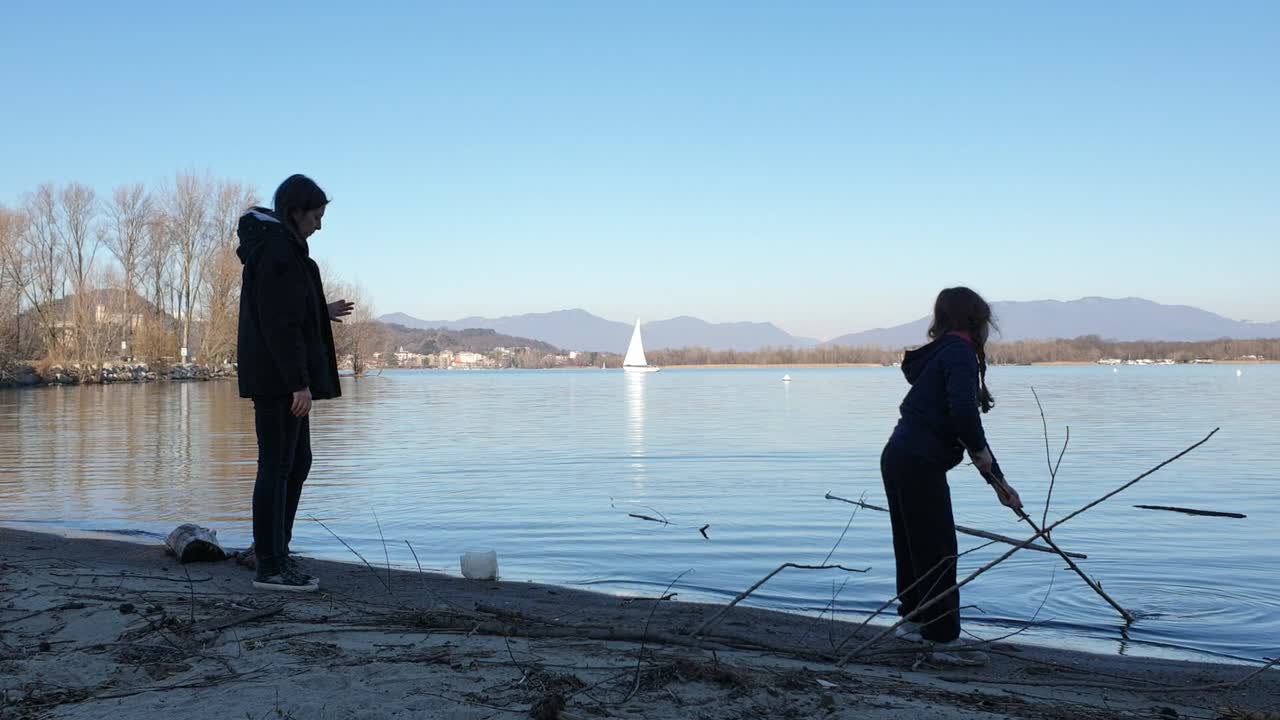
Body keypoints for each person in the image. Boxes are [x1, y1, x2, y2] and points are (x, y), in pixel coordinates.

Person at [879, 286, 1022, 664]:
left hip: (900, 456)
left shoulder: (943, 351)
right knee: (937, 549)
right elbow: (963, 414)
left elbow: (959, 420)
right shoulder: (959, 352)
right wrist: (982, 456)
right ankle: (941, 638)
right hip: (917, 459)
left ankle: (915, 622)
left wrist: (998, 483)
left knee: (914, 546)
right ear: (978, 321)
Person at [236, 174, 353, 591]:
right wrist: (297, 384)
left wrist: (323, 309)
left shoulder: (281, 249)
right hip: (278, 382)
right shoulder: (278, 249)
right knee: (277, 465)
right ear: (295, 212)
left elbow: (287, 307)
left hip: (279, 378)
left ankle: (271, 549)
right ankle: (270, 564)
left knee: (295, 462)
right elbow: (278, 323)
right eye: (316, 216)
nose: (319, 225)